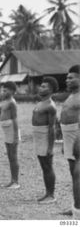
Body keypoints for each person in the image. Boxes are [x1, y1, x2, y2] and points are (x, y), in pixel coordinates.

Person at [32, 77, 58, 204]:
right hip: (38, 136)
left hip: (45, 137)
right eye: (40, 86)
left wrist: (50, 147)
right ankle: (47, 192)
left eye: (44, 86)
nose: (40, 88)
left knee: (48, 166)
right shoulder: (40, 102)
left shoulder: (50, 105)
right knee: (43, 166)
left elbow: (52, 127)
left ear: (51, 89)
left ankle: (51, 195)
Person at [60, 65, 80, 219]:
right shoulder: (71, 95)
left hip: (77, 137)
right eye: (67, 78)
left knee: (78, 174)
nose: (67, 80)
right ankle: (76, 205)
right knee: (73, 175)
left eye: (71, 77)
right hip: (68, 138)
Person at [0, 81, 20, 189]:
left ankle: (15, 181)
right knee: (10, 156)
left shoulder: (12, 102)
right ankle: (12, 180)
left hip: (12, 130)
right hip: (7, 131)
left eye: (6, 90)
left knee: (13, 156)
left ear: (12, 91)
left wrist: (16, 135)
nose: (3, 92)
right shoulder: (5, 101)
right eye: (3, 90)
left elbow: (15, 118)